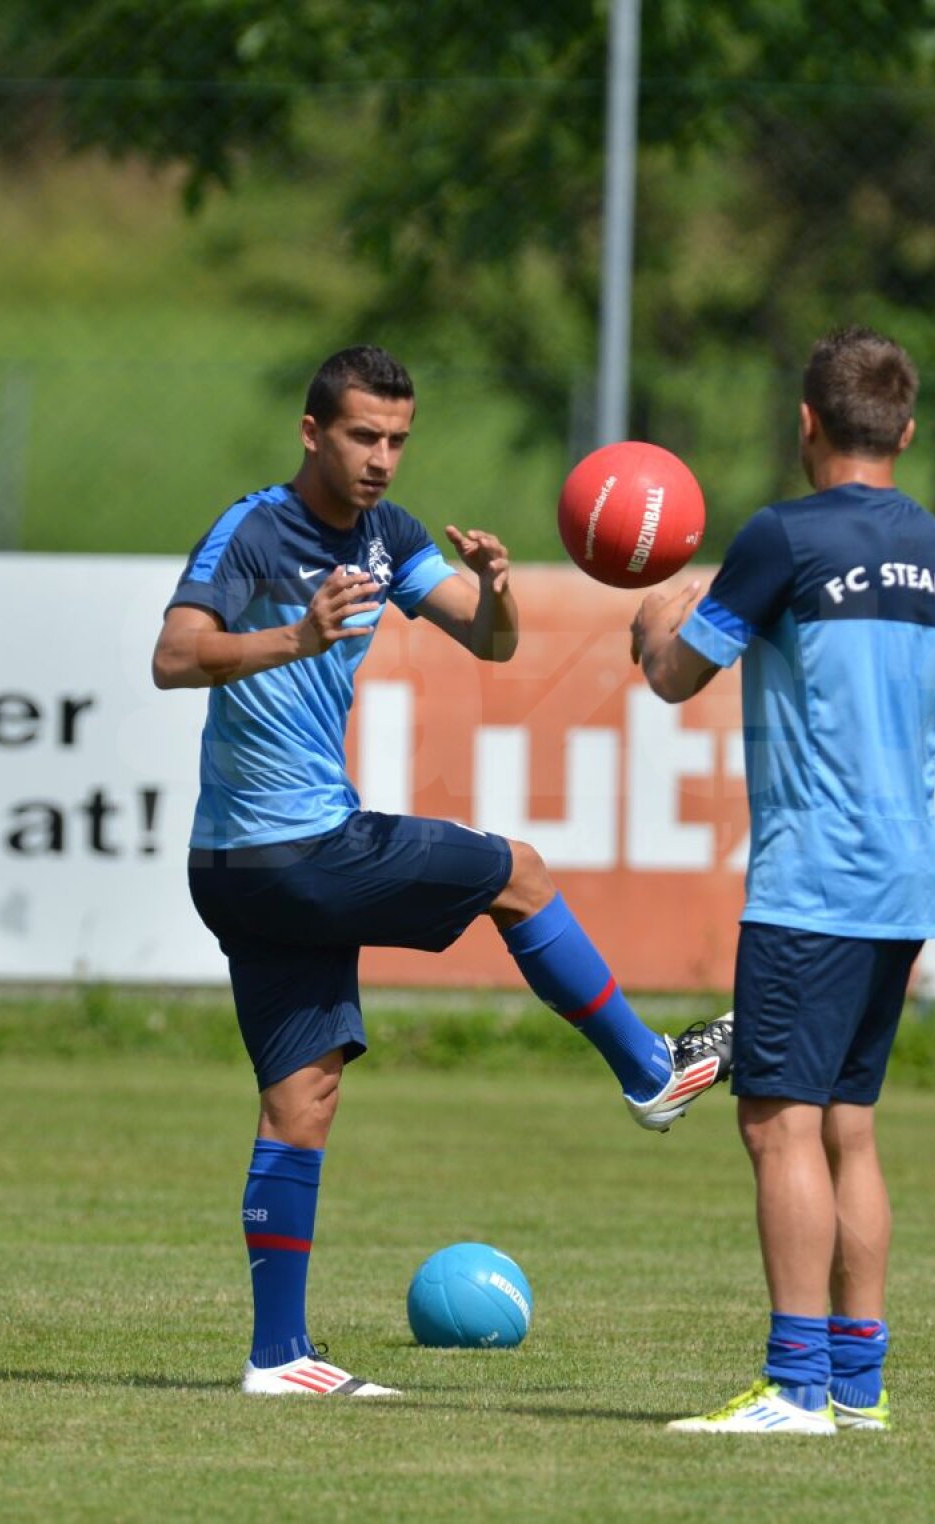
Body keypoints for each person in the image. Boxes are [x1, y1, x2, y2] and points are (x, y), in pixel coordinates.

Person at [152, 345, 733, 1399]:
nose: (382, 459)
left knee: (303, 1100)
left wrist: (501, 590)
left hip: (251, 867)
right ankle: (649, 1070)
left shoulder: (388, 534)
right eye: (363, 436)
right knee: (518, 871)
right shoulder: (251, 533)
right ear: (311, 433)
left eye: (398, 440)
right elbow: (174, 656)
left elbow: (490, 642)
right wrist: (296, 634)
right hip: (291, 851)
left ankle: (277, 1359)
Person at [630, 327, 935, 1435]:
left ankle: (794, 1389)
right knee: (850, 1127)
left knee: (777, 1124)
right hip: (903, 881)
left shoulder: (783, 537)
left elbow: (679, 676)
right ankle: (859, 1390)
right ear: (907, 432)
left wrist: (652, 624)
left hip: (812, 881)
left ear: (807, 422)